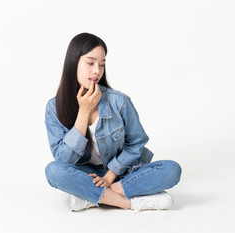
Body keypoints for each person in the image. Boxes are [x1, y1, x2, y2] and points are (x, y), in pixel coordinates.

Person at [45, 32, 182, 212]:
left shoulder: (119, 101)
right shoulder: (54, 108)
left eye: (102, 65)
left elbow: (137, 143)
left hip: (122, 174)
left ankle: (91, 196)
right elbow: (63, 160)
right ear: (73, 63)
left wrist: (110, 177)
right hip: (86, 174)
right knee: (53, 171)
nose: (97, 71)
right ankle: (128, 203)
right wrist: (84, 112)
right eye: (90, 63)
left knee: (172, 170)